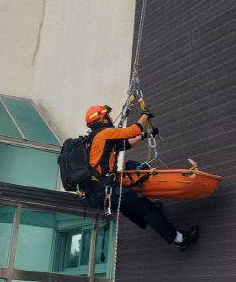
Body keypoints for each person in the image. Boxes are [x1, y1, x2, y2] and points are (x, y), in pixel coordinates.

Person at [83, 103, 200, 250]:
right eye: (108, 116)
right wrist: (146, 115)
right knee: (147, 208)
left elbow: (123, 144)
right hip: (106, 189)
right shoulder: (105, 133)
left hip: (96, 194)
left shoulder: (93, 140)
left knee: (129, 205)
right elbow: (133, 130)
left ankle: (146, 218)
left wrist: (146, 135)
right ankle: (181, 240)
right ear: (103, 119)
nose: (110, 118)